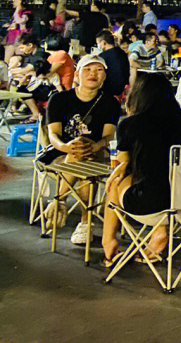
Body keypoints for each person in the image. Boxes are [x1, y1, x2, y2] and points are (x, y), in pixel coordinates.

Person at [101, 72, 181, 265]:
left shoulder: (130, 125)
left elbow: (121, 164)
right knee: (153, 176)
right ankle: (159, 231)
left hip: (151, 203)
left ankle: (108, 242)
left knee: (115, 182)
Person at [39, 55, 122, 244]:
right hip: (59, 152)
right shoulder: (59, 99)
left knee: (85, 154)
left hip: (95, 152)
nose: (93, 74)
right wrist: (66, 147)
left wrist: (95, 145)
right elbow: (53, 135)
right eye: (88, 69)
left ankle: (59, 199)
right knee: (80, 154)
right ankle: (86, 222)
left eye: (99, 70)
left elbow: (108, 136)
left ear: (104, 77)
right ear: (77, 74)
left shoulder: (110, 103)